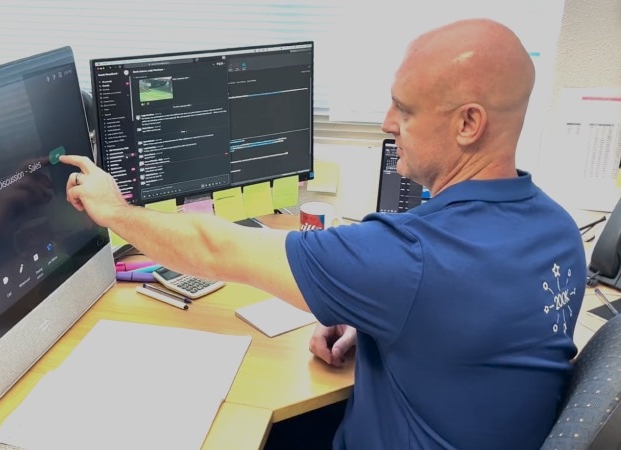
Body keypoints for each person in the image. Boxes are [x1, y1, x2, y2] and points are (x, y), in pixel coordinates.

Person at [60, 18, 586, 450]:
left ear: (468, 124)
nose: (386, 123)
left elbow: (214, 247)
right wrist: (383, 327)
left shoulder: (408, 258)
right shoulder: (558, 231)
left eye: (404, 110)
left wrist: (116, 211)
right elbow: (482, 336)